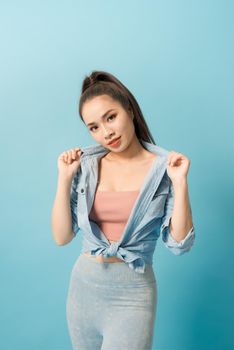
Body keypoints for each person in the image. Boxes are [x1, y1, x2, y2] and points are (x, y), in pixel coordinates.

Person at [51, 70, 195, 350]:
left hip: (133, 294)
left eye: (110, 117)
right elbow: (61, 236)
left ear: (128, 109)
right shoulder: (87, 165)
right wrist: (64, 177)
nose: (106, 133)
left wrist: (180, 183)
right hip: (83, 289)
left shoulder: (165, 168)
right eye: (94, 127)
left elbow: (179, 244)